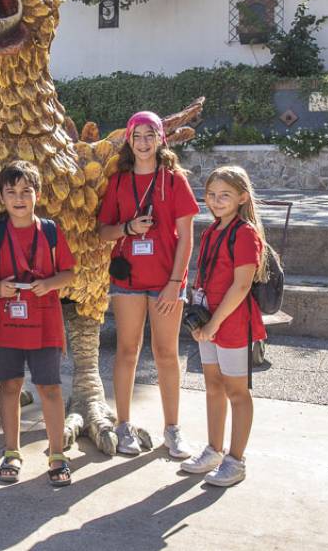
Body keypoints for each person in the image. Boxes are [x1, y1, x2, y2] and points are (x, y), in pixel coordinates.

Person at [97, 111, 200, 457]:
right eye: (137, 136)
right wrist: (128, 228)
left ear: (160, 139)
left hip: (166, 282)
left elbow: (186, 238)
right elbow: (102, 232)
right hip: (128, 281)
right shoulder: (119, 182)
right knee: (127, 351)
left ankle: (172, 430)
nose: (143, 143)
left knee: (166, 354)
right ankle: (123, 424)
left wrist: (175, 282)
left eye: (149, 136)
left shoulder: (174, 181)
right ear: (129, 139)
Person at [0, 161, 77, 487]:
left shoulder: (49, 231)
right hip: (6, 321)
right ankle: (11, 452)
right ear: (2, 198)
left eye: (26, 191)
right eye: (12, 192)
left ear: (37, 194)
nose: (19, 198)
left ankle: (57, 454)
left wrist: (49, 284)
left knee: (49, 387)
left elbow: (69, 273)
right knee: (9, 386)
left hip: (45, 320)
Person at [179, 165, 268, 487]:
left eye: (225, 195)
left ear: (242, 197)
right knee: (213, 386)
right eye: (212, 195)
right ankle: (214, 450)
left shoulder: (244, 234)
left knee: (236, 391)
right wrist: (200, 320)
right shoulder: (214, 230)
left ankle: (236, 460)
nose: (216, 201)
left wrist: (214, 323)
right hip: (209, 321)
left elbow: (241, 285)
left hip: (230, 322)